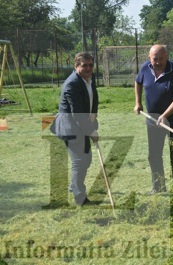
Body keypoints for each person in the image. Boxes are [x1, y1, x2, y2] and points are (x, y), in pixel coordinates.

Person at [134, 44, 173, 197]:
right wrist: (138, 102)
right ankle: (158, 187)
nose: (157, 62)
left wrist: (164, 115)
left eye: (161, 59)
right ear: (149, 58)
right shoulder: (145, 68)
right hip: (152, 120)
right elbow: (138, 82)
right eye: (155, 59)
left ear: (166, 57)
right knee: (154, 155)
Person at [51, 52, 99, 206]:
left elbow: (93, 100)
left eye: (90, 65)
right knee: (79, 161)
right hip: (71, 128)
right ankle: (80, 198)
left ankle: (74, 185)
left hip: (82, 125)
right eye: (84, 65)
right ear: (76, 66)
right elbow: (77, 114)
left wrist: (93, 120)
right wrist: (91, 131)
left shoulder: (89, 79)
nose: (88, 68)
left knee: (87, 159)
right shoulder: (72, 83)